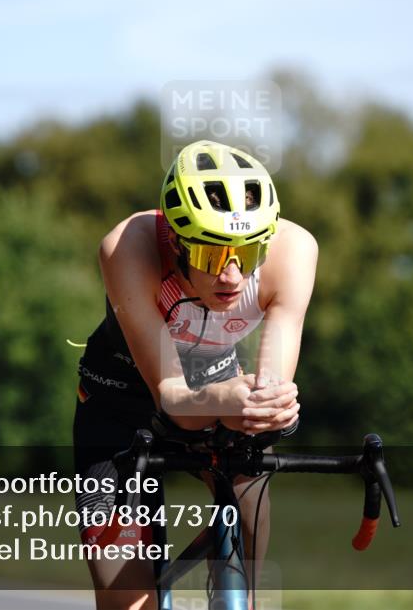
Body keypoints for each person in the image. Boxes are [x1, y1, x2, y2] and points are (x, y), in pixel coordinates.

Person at [73, 140, 318, 610]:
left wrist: (268, 408)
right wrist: (225, 402)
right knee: (129, 602)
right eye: (210, 256)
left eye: (246, 256)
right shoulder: (129, 247)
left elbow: (267, 396)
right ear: (176, 240)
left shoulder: (293, 250)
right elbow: (171, 397)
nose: (230, 277)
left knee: (248, 497)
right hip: (118, 405)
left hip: (217, 389)